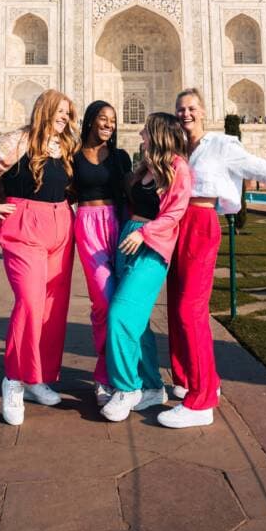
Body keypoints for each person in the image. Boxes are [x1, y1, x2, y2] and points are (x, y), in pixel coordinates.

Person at [159, 88, 266, 429]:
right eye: (180, 109)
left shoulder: (222, 144)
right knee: (175, 306)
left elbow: (261, 168)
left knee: (190, 311)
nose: (185, 114)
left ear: (204, 110)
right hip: (176, 226)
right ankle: (187, 379)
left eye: (191, 108)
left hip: (201, 224)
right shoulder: (179, 147)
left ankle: (202, 400)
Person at [0, 89, 79, 426]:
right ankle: (13, 381)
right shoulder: (20, 140)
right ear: (44, 110)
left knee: (51, 310)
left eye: (68, 114)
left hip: (61, 225)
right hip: (24, 225)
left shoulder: (65, 146)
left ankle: (36, 377)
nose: (65, 118)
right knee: (29, 304)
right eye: (60, 112)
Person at [101, 112, 191, 423]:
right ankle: (153, 387)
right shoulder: (145, 169)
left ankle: (127, 387)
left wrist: (144, 234)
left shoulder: (179, 169)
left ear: (158, 134)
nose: (140, 133)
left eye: (145, 130)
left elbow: (174, 213)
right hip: (128, 242)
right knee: (138, 322)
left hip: (152, 248)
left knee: (120, 315)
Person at [73, 101, 132, 405]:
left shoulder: (121, 157)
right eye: (103, 119)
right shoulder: (74, 156)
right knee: (103, 300)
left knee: (119, 303)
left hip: (118, 227)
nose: (109, 124)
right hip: (87, 226)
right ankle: (106, 373)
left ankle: (111, 373)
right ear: (90, 121)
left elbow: (134, 192)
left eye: (113, 120)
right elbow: (61, 191)